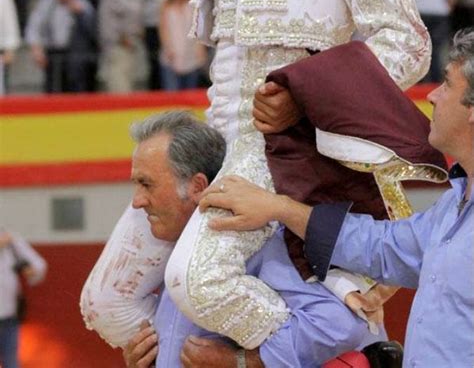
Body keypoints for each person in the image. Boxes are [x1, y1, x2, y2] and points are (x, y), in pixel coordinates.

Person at [77, 0, 430, 348]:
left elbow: (407, 43)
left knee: (199, 283)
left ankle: (334, 345)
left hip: (287, 145)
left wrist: (306, 96)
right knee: (106, 303)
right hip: (215, 139)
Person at [200, 28, 474, 368]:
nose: (432, 95)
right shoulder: (454, 206)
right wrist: (280, 208)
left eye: (447, 84)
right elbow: (381, 246)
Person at [81, 111, 385, 367]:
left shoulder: (259, 240)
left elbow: (339, 326)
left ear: (198, 185)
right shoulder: (174, 258)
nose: (137, 201)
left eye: (146, 184)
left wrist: (241, 360)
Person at [25, 0, 97, 93]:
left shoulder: (83, 4)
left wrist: (81, 14)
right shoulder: (46, 5)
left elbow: (94, 32)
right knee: (53, 90)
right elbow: (33, 28)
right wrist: (36, 49)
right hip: (53, 55)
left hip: (77, 58)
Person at [0, 228, 48, 368]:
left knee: (11, 362)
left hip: (9, 315)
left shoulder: (9, 240)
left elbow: (39, 267)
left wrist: (30, 271)